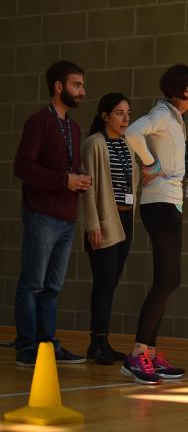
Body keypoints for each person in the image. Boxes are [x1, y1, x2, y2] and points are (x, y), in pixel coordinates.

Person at [121, 64, 188, 384]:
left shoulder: (175, 118)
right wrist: (150, 162)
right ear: (184, 90)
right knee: (168, 279)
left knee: (168, 279)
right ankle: (137, 354)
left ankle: (150, 355)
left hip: (170, 204)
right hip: (159, 205)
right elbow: (132, 131)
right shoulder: (162, 115)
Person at [13, 61, 91, 367]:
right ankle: (26, 346)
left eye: (83, 85)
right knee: (32, 283)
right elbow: (22, 167)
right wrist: (64, 180)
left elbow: (65, 169)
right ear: (58, 87)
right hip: (42, 215)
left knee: (53, 286)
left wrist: (79, 180)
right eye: (76, 85)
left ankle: (48, 345)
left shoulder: (73, 126)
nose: (82, 91)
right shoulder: (38, 122)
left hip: (66, 217)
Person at [81, 93, 139, 365]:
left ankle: (104, 340)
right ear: (105, 116)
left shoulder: (127, 145)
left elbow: (133, 180)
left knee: (111, 283)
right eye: (119, 113)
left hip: (126, 220)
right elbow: (89, 187)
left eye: (127, 113)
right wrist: (93, 223)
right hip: (105, 221)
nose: (126, 118)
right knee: (103, 283)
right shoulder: (94, 144)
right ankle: (97, 342)